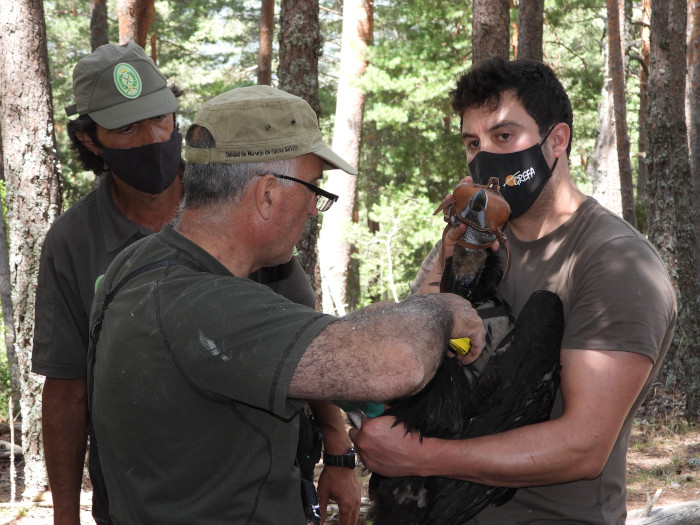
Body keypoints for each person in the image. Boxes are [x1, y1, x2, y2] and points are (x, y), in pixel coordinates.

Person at [85, 85, 486, 524]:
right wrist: (443, 310)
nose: (314, 208)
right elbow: (398, 364)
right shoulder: (203, 305)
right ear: (268, 194)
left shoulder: (139, 263)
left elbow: (324, 339)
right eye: (312, 187)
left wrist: (336, 452)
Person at [31, 43, 357, 525]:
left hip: (252, 491)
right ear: (91, 140)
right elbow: (66, 390)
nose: (152, 138)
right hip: (141, 495)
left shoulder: (237, 209)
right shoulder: (74, 241)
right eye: (127, 128)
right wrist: (64, 515)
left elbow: (306, 343)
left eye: (161, 118)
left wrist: (338, 447)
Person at [349, 57, 677, 524]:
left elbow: (583, 446)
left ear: (556, 140)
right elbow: (408, 352)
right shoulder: (471, 239)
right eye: (472, 142)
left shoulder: (615, 263)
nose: (485, 157)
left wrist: (420, 456)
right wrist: (449, 256)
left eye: (504, 136)